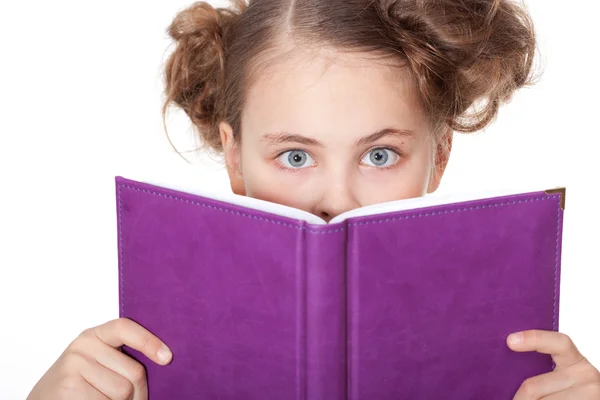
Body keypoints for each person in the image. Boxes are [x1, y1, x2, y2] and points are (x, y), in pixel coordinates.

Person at [27, 0, 600, 398]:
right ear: (234, 155)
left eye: (379, 155)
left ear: (440, 155)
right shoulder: (132, 368)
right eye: (296, 156)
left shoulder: (526, 366)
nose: (337, 200)